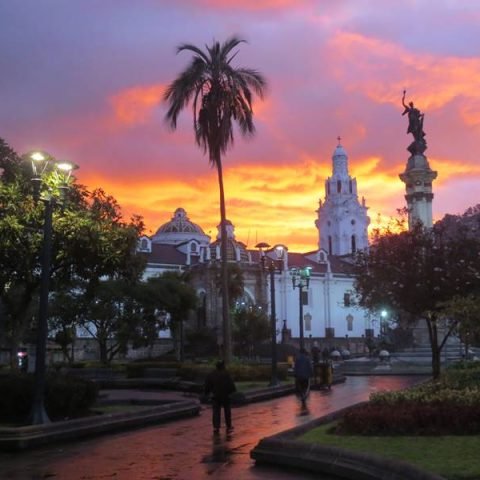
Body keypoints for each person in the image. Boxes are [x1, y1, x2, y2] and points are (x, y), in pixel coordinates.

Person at [204, 360, 236, 434]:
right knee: (227, 411)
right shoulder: (226, 374)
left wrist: (207, 393)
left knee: (216, 412)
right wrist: (231, 392)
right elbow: (231, 386)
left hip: (215, 396)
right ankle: (228, 425)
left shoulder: (211, 374)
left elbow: (207, 386)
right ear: (223, 366)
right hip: (225, 396)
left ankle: (216, 427)